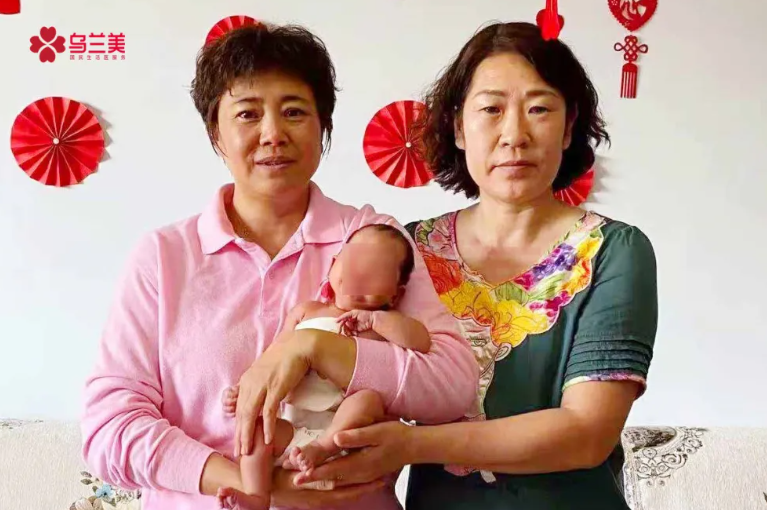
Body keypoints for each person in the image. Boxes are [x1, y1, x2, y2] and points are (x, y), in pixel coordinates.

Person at [79, 23, 477, 510]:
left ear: (323, 127)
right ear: (216, 132)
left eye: (294, 112)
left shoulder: (372, 239)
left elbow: (452, 386)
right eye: (248, 114)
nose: (272, 134)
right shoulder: (163, 257)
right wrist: (248, 484)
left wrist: (313, 346)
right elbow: (108, 427)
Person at [292, 21, 659, 510]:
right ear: (459, 128)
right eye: (491, 109)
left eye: (539, 109)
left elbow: (586, 434)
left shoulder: (615, 250)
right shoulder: (412, 249)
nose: (514, 135)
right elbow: (353, 362)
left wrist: (413, 445)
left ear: (570, 126)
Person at [218, 224, 432, 509]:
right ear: (333, 266)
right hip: (294, 431)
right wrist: (244, 389)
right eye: (353, 260)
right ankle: (257, 495)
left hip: (345, 435)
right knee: (255, 428)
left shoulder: (383, 323)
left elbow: (421, 342)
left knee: (368, 400)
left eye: (376, 269)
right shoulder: (307, 311)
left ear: (396, 294)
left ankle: (322, 448)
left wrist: (377, 321)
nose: (360, 273)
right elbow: (272, 359)